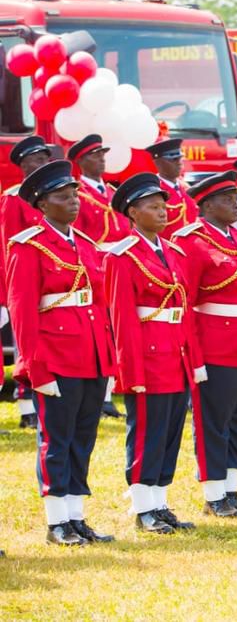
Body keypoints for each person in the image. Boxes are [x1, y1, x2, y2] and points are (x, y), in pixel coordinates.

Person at [7, 160, 117, 545]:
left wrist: (108, 357)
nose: (73, 203)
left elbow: (100, 306)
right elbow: (22, 312)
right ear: (42, 204)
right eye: (62, 197)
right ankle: (57, 521)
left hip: (90, 355)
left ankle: (76, 515)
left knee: (83, 437)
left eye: (74, 196)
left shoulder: (85, 244)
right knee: (56, 438)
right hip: (55, 356)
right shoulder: (27, 247)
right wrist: (35, 368)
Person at [107, 173, 202, 534]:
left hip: (174, 355)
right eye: (153, 207)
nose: (163, 213)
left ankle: (160, 503)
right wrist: (131, 373)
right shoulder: (123, 255)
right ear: (133, 212)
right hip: (147, 356)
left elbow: (184, 309)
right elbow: (124, 320)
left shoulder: (172, 252)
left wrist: (192, 360)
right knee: (147, 431)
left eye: (164, 207)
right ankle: (144, 507)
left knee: (170, 431)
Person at [174, 171, 237, 517]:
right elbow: (186, 303)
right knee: (214, 419)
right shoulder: (192, 242)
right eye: (228, 199)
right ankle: (214, 494)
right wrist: (194, 355)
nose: (235, 204)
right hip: (216, 343)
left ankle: (231, 489)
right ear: (207, 204)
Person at [68, 134, 130, 419]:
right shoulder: (76, 194)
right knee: (102, 330)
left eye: (103, 154)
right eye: (95, 155)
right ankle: (102, 396)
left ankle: (112, 388)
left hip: (119, 263)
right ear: (80, 161)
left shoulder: (110, 191)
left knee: (118, 331)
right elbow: (78, 236)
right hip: (95, 266)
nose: (102, 159)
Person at [2, 135, 52, 429]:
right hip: (24, 282)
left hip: (53, 284)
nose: (42, 164)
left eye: (45, 159)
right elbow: (8, 247)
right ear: (23, 165)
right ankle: (25, 406)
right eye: (36, 160)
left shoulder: (52, 195)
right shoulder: (13, 197)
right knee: (25, 344)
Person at [145, 139, 198, 238]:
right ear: (158, 163)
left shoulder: (186, 188)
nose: (178, 163)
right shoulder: (153, 192)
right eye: (173, 160)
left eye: (179, 158)